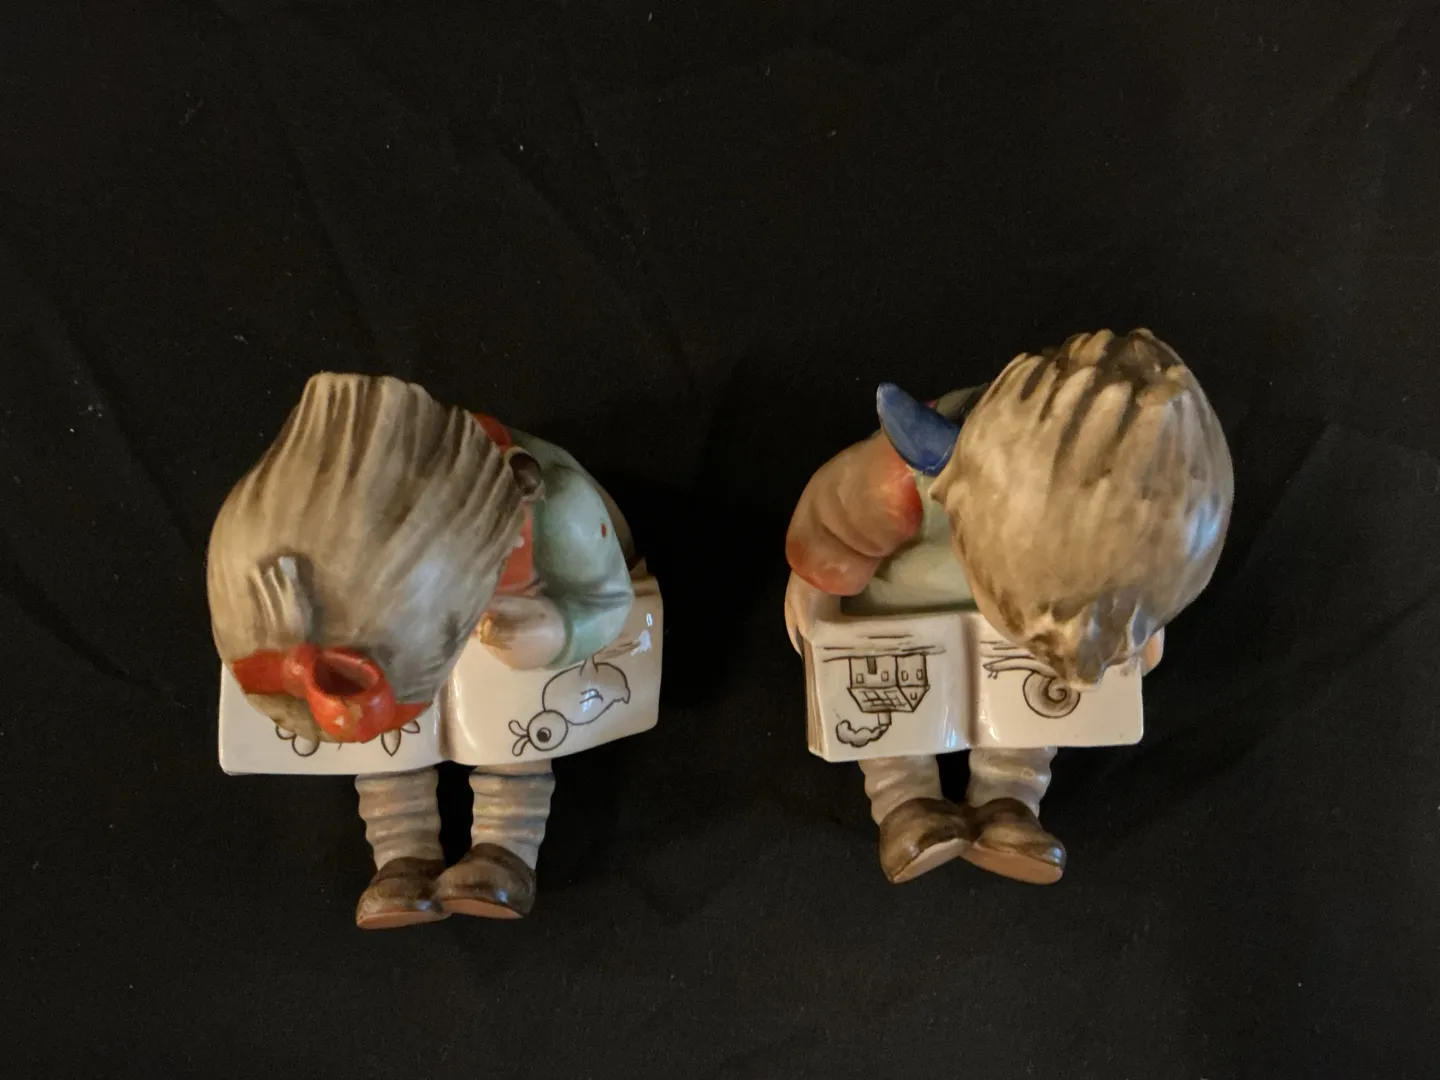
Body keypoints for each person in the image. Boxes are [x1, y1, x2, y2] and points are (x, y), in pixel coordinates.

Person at [784, 329, 1233, 885]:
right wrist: (818, 578)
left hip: (1019, 654)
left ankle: (1010, 797)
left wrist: (1133, 626)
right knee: (887, 706)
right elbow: (832, 521)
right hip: (899, 618)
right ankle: (904, 799)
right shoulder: (904, 480)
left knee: (1039, 702)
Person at [208, 373, 634, 926]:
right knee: (383, 744)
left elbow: (609, 598)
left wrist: (559, 630)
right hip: (402, 647)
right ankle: (401, 855)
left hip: (512, 626)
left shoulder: (559, 512)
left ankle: (505, 850)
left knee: (512, 722)